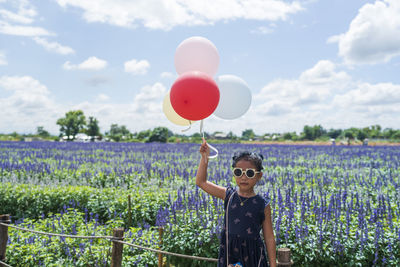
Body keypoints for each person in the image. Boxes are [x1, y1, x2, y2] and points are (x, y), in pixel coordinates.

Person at [196, 138, 276, 267]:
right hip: (229, 254)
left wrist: (273, 265)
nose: (243, 177)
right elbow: (201, 182)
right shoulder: (228, 195)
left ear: (259, 176)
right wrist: (204, 157)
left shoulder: (263, 204)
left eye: (249, 173)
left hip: (253, 255)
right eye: (238, 172)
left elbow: (269, 237)